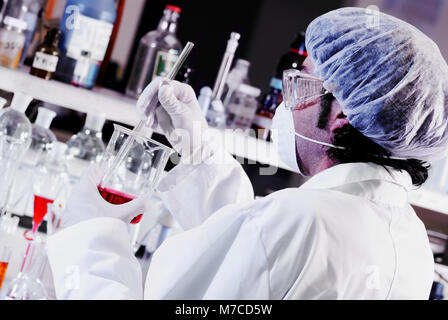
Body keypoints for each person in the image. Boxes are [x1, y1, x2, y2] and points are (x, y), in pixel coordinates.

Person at [46, 7, 448, 299]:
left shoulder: (299, 221)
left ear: (341, 113)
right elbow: (253, 252)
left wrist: (90, 236)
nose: (283, 105)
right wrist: (194, 145)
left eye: (299, 84)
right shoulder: (408, 240)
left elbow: (265, 242)